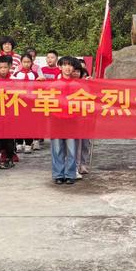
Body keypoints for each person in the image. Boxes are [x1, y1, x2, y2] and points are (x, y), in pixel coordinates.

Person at [51, 56, 77, 185]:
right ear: (59, 67)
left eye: (70, 65)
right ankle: (58, 174)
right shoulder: (53, 85)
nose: (68, 67)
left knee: (72, 149)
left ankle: (70, 174)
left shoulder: (78, 85)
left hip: (72, 121)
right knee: (57, 149)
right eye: (65, 65)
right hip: (56, 120)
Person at [0, 56, 16, 169]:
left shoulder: (14, 81)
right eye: (0, 67)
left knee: (9, 138)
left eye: (5, 67)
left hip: (10, 114)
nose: (3, 69)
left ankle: (9, 157)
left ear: (9, 67)